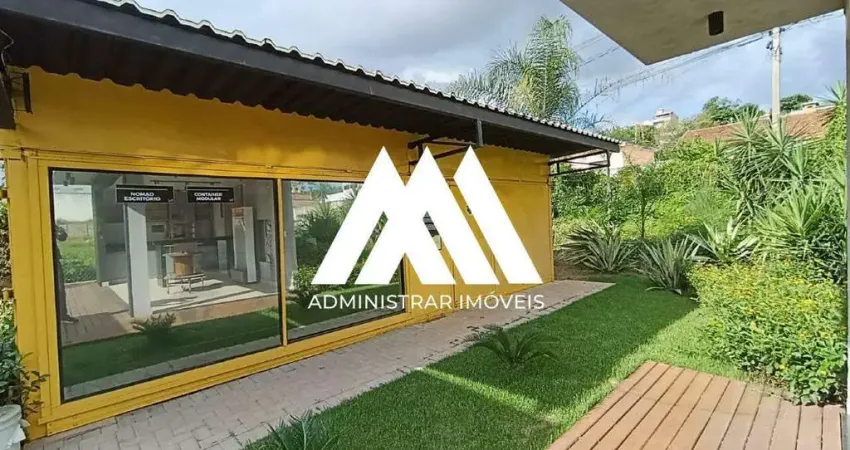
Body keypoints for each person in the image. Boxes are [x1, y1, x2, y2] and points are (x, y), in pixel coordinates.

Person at [53, 224, 78, 324]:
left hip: (54, 260)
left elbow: (63, 237)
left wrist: (60, 231)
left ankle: (62, 315)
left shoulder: (50, 223)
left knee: (60, 289)